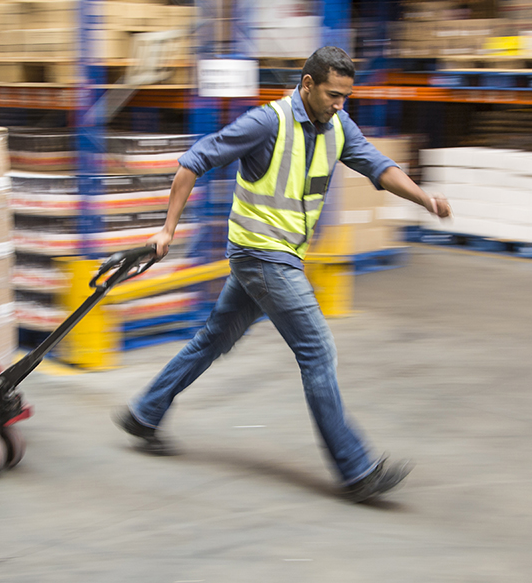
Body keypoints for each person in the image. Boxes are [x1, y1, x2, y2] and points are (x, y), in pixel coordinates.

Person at [113, 46, 451, 503]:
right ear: (307, 85)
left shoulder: (337, 126)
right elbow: (193, 162)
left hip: (283, 256)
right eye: (333, 95)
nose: (340, 105)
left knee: (215, 337)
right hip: (261, 255)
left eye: (346, 97)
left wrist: (424, 199)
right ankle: (356, 470)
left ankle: (144, 412)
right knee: (317, 350)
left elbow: (379, 166)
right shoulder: (265, 123)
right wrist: (167, 229)